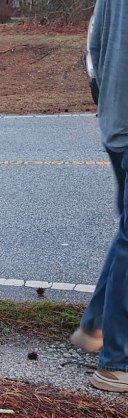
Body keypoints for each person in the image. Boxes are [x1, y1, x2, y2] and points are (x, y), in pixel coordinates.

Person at [69, 0, 128, 393]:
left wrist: (107, 104)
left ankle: (96, 325)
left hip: (116, 123)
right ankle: (117, 362)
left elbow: (93, 47)